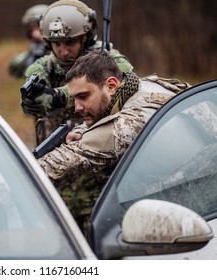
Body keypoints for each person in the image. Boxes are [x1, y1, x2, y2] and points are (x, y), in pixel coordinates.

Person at [36, 50, 191, 232]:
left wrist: (8, 186)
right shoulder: (141, 86)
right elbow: (109, 118)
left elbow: (65, 159)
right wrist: (82, 130)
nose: (76, 108)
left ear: (111, 85)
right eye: (74, 98)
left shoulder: (137, 117)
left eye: (83, 97)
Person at [21, 0, 134, 145]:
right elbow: (30, 108)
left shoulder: (109, 59)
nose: (63, 51)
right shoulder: (44, 66)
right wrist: (33, 100)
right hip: (53, 153)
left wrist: (60, 96)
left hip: (101, 148)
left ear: (85, 38)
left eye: (70, 42)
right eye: (56, 43)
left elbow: (127, 82)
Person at [8, 4, 50, 79]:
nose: (35, 34)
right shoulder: (33, 50)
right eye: (31, 30)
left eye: (38, 28)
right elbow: (14, 70)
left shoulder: (62, 53)